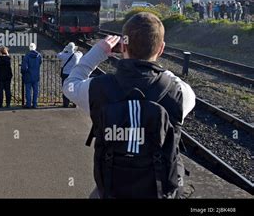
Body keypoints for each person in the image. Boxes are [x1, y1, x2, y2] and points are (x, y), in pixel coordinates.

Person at [63, 12, 196, 199]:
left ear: (123, 45)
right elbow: (171, 79)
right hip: (160, 192)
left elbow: (70, 84)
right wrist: (152, 57)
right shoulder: (182, 93)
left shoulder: (98, 88)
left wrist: (98, 51)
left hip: (111, 191)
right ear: (161, 49)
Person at [57, 42, 82, 107]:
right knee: (73, 89)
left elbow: (58, 55)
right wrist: (75, 50)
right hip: (73, 75)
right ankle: (74, 103)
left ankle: (66, 104)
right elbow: (81, 53)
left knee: (65, 89)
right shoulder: (77, 55)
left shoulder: (64, 55)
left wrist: (64, 50)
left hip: (65, 75)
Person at [21, 43, 42, 108]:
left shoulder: (26, 56)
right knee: (36, 90)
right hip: (36, 75)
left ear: (29, 48)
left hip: (28, 75)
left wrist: (22, 72)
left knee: (28, 90)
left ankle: (28, 104)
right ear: (35, 47)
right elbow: (40, 63)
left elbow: (24, 68)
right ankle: (35, 104)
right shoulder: (39, 56)